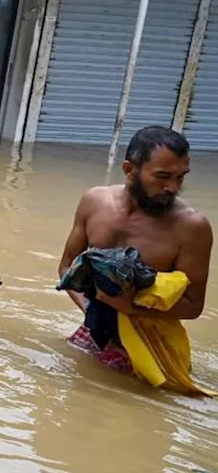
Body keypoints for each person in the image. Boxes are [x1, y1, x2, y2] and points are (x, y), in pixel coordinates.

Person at [59, 126, 212, 374]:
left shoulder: (192, 227)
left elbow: (194, 305)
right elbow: (67, 267)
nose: (172, 187)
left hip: (152, 349)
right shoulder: (94, 201)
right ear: (130, 170)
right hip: (93, 333)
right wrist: (92, 311)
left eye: (181, 177)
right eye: (163, 176)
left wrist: (129, 307)